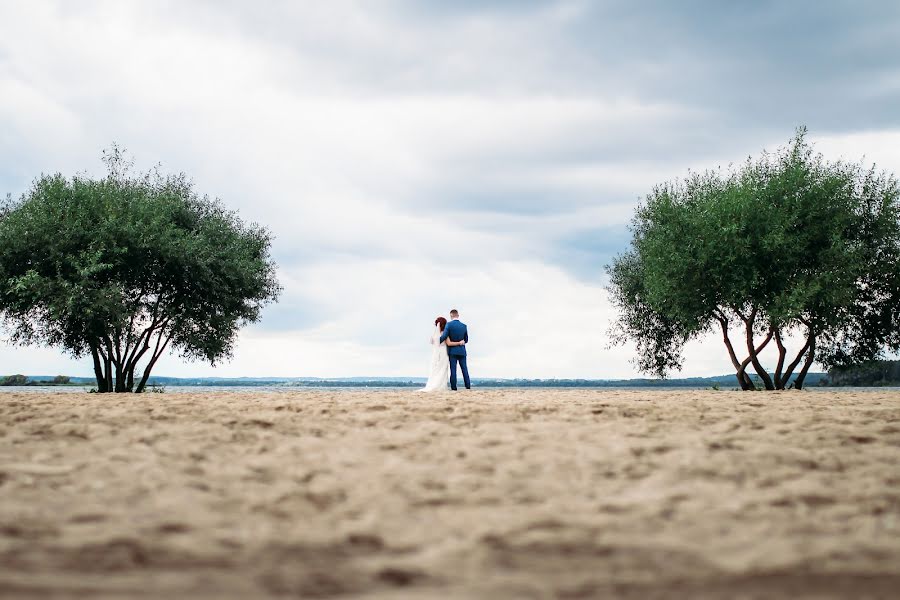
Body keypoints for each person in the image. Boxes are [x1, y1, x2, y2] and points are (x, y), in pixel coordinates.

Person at [419, 316, 465, 392]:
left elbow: (431, 342)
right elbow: (449, 343)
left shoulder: (434, 334)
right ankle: (440, 386)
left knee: (436, 369)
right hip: (443, 352)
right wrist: (459, 342)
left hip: (436, 353)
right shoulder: (444, 333)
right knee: (443, 369)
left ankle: (433, 384)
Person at [440, 309, 470, 390]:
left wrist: (437, 342)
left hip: (452, 351)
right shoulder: (464, 326)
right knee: (464, 369)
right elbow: (466, 340)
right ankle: (468, 386)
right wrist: (461, 342)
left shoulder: (449, 325)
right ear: (458, 315)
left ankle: (454, 388)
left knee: (453, 370)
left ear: (451, 315)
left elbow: (444, 336)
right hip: (462, 351)